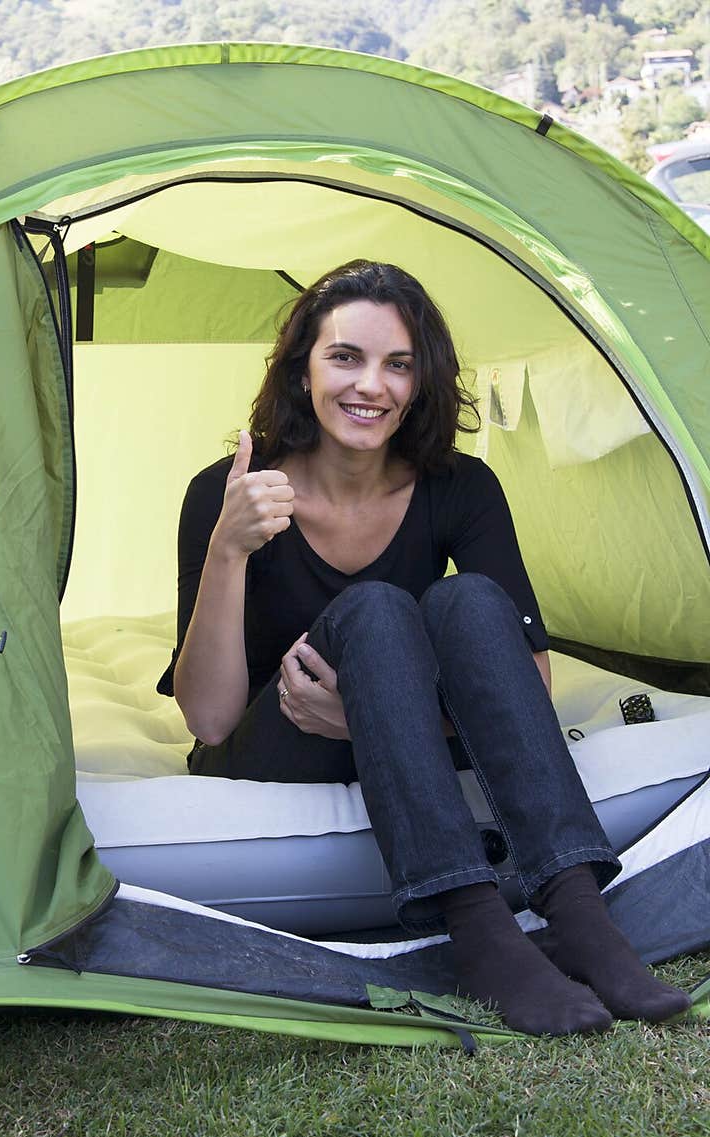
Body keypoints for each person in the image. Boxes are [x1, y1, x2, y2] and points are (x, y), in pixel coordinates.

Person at [157, 259, 690, 1035]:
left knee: (470, 599)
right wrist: (228, 548)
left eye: (397, 365)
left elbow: (527, 678)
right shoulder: (233, 490)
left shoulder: (459, 487)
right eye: (346, 356)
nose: (371, 385)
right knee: (374, 608)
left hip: (408, 734)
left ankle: (578, 910)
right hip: (283, 738)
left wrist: (371, 716)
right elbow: (208, 720)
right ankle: (476, 927)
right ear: (302, 370)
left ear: (420, 384)